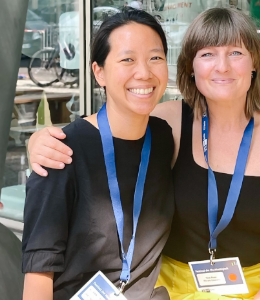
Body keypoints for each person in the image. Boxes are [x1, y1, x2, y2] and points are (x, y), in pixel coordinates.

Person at [28, 8, 260, 300]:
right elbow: (110, 123)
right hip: (176, 289)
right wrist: (41, 142)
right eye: (207, 54)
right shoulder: (171, 122)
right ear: (191, 67)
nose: (223, 67)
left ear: (256, 63)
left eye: (236, 53)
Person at [21, 9, 173, 300]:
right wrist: (36, 140)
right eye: (127, 59)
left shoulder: (165, 137)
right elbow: (38, 276)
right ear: (99, 72)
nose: (144, 72)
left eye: (155, 58)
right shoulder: (61, 153)